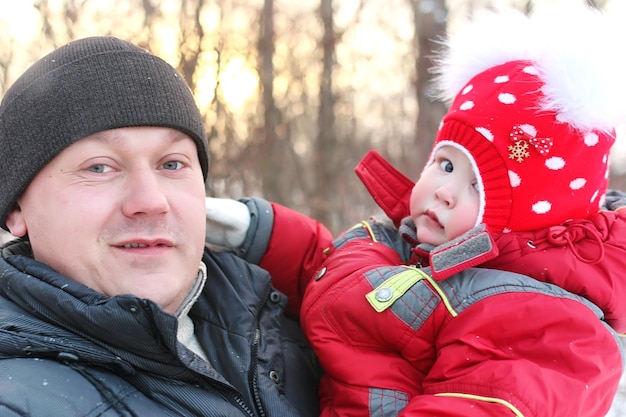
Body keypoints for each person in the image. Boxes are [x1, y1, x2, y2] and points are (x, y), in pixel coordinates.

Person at [205, 6, 626, 417]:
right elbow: (331, 271)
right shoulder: (410, 247)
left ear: (534, 218)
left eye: (479, 185)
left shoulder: (548, 326)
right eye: (445, 164)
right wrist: (255, 230)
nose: (444, 191)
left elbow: (483, 403)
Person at [0, 36, 330, 417]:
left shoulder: (303, 340)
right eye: (99, 167)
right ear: (15, 211)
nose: (150, 201)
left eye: (171, 164)